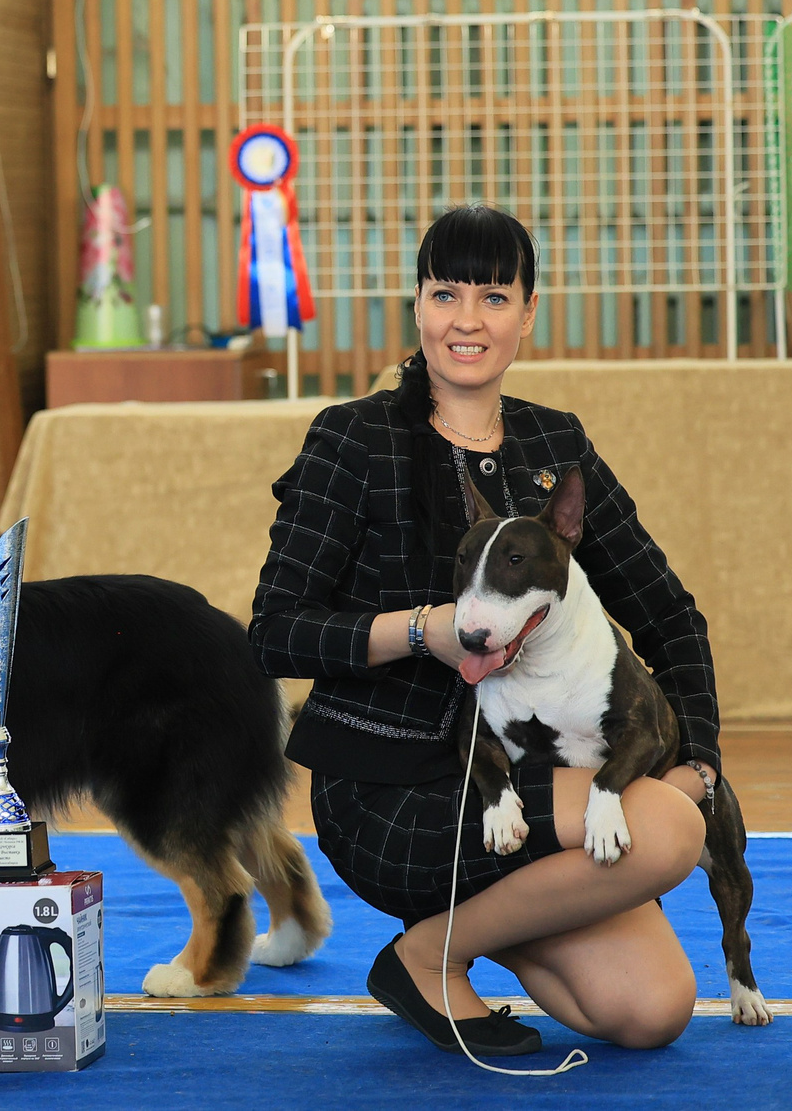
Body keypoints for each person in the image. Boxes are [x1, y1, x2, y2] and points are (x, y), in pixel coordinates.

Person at [249, 204, 720, 1056]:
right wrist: (424, 631)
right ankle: (429, 955)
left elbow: (666, 612)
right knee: (666, 831)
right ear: (417, 306)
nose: (468, 318)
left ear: (529, 312)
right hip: (395, 786)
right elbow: (276, 632)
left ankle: (472, 917)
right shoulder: (352, 439)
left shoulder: (554, 440)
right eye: (445, 292)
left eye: (494, 296)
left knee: (650, 1010)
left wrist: (699, 760)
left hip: (540, 785)